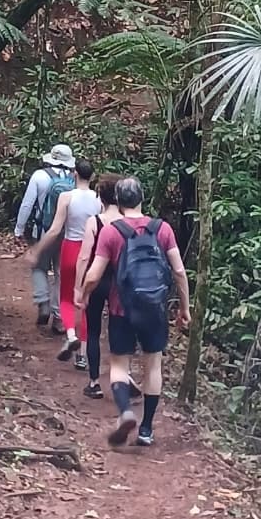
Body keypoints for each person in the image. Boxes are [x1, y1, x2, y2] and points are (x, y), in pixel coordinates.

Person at [82, 176, 191, 447]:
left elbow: (94, 274)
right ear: (142, 198)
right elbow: (178, 270)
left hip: (122, 309)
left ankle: (125, 412)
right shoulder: (162, 229)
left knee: (119, 365)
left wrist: (83, 295)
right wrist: (184, 308)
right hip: (155, 309)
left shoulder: (111, 231)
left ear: (118, 202)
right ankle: (146, 429)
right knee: (153, 365)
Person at [74, 173, 142, 403]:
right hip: (121, 283)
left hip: (98, 281)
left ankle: (94, 383)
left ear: (100, 197)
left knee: (93, 330)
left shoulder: (95, 222)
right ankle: (125, 375)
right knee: (120, 330)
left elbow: (84, 257)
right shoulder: (128, 223)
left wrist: (79, 288)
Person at [28, 159, 100, 366]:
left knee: (67, 297)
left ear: (74, 174)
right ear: (92, 177)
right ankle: (82, 356)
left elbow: (54, 229)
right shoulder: (98, 200)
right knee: (85, 301)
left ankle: (70, 336)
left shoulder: (66, 197)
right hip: (91, 251)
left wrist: (38, 249)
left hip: (70, 248)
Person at [14, 143, 76, 333]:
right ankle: (58, 319)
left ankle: (43, 302)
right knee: (61, 274)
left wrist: (19, 229)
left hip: (43, 231)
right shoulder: (75, 179)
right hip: (67, 234)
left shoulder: (40, 176)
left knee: (39, 266)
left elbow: (27, 205)